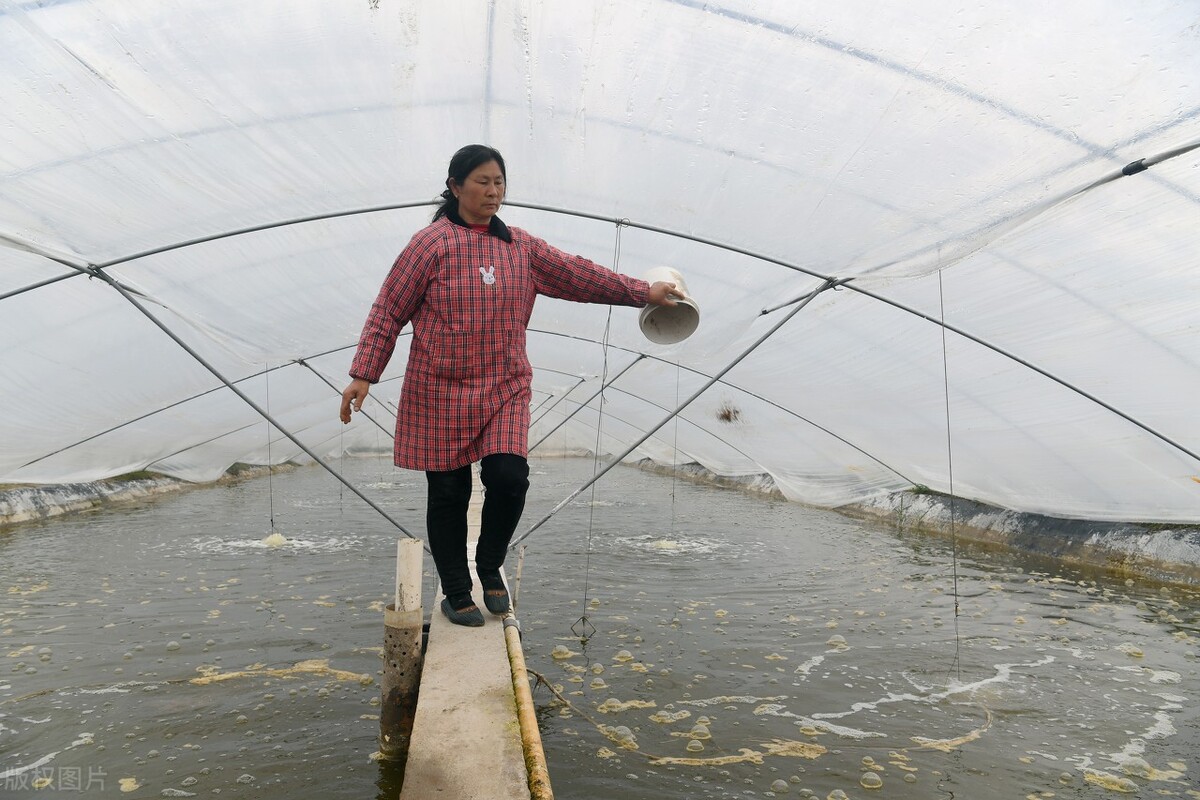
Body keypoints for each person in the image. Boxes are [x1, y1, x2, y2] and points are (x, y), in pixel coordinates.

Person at [340, 144, 683, 627]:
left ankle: (488, 563)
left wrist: (642, 292)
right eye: (482, 181)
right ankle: (457, 589)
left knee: (508, 478)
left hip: (504, 386)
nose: (493, 190)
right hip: (439, 389)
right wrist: (363, 374)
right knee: (448, 493)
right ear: (456, 187)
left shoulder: (521, 247)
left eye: (499, 182)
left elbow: (580, 276)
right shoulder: (430, 245)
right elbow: (389, 310)